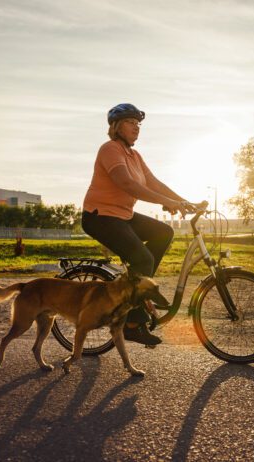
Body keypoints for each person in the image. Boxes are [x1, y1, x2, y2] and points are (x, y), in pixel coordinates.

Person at [82, 103, 194, 345]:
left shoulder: (135, 156)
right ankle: (133, 322)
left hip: (122, 215)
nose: (136, 128)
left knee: (164, 232)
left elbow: (153, 183)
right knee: (144, 258)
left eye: (138, 124)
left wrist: (183, 201)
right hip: (100, 216)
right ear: (116, 127)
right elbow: (128, 184)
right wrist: (166, 202)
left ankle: (139, 289)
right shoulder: (110, 149)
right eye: (130, 123)